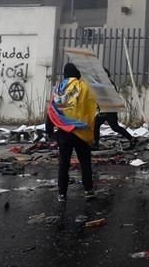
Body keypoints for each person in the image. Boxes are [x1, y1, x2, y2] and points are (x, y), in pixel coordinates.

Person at [46, 62, 98, 202]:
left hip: (64, 132)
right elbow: (92, 107)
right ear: (77, 73)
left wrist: (49, 131)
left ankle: (62, 194)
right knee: (85, 162)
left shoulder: (59, 89)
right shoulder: (84, 87)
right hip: (80, 131)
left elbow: (52, 110)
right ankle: (88, 190)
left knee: (64, 164)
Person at [93, 67, 137, 150]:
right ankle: (95, 143)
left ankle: (132, 139)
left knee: (114, 127)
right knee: (97, 124)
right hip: (108, 109)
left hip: (109, 109)